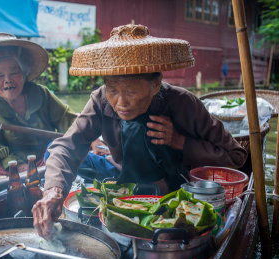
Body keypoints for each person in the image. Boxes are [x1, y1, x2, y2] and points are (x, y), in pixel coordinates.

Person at [32, 24, 248, 239]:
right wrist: (54, 191)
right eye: (113, 90)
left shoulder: (183, 103)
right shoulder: (100, 99)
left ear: (155, 85)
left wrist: (180, 142)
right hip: (121, 176)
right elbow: (69, 144)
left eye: (132, 91)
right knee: (54, 150)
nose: (121, 102)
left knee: (136, 128)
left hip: (168, 185)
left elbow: (236, 156)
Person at [0, 32, 118, 181]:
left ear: (24, 74)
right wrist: (16, 163)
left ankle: (111, 170)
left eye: (14, 72)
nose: (7, 80)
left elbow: (67, 120)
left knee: (58, 150)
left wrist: (92, 140)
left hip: (45, 159)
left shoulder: (41, 93)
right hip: (10, 165)